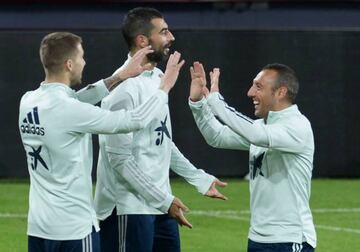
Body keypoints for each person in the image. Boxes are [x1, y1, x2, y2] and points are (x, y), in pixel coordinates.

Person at [19, 31, 184, 252]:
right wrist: (164, 88)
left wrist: (121, 76)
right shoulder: (72, 111)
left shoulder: (29, 101)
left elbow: (74, 100)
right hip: (75, 230)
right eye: (81, 57)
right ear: (69, 64)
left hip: (39, 228)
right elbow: (134, 120)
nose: (84, 62)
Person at [94, 7, 227, 252]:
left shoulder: (158, 79)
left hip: (160, 205)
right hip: (128, 208)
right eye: (164, 32)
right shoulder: (122, 89)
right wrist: (164, 200)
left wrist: (198, 178)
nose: (171, 37)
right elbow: (119, 160)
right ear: (142, 40)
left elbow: (162, 141)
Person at [188, 62, 316, 252]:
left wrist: (215, 100)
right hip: (257, 238)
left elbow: (256, 135)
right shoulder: (263, 127)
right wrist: (198, 103)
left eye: (258, 87)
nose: (250, 93)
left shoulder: (298, 126)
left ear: (280, 92)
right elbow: (217, 136)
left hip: (290, 239)